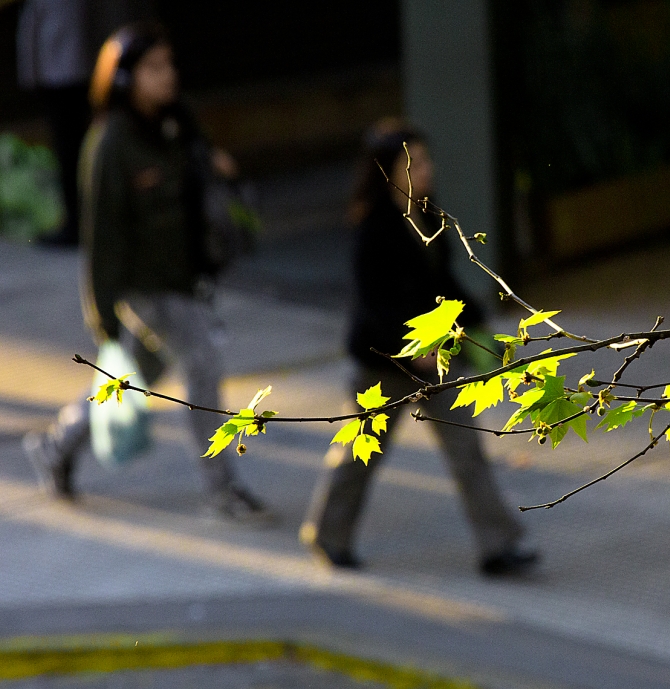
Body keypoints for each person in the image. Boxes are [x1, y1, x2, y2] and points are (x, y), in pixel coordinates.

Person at [22, 24, 269, 523]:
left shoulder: (176, 126)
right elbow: (103, 238)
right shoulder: (111, 144)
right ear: (122, 78)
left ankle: (55, 447)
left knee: (131, 383)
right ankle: (222, 489)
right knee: (203, 362)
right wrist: (103, 320)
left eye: (170, 64)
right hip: (144, 288)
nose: (168, 76)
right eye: (154, 68)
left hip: (185, 279)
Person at [302, 119, 538, 576]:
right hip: (384, 365)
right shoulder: (373, 228)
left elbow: (441, 283)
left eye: (428, 160)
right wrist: (409, 348)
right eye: (415, 162)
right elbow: (373, 306)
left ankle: (498, 546)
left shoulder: (428, 215)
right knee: (361, 452)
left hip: (436, 364)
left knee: (467, 449)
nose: (427, 170)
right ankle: (328, 534)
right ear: (387, 171)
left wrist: (478, 317)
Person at [16, 0, 155, 246]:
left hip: (77, 51)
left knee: (79, 142)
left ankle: (87, 221)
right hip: (77, 49)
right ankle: (85, 219)